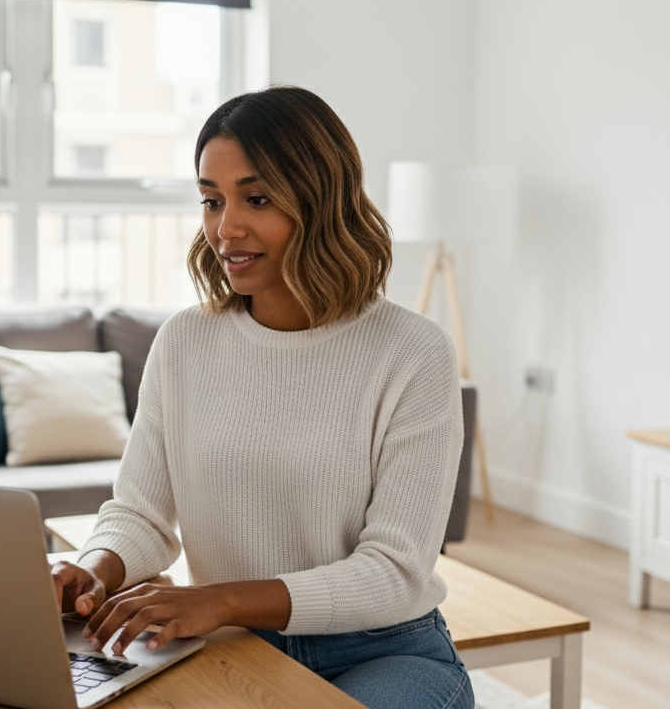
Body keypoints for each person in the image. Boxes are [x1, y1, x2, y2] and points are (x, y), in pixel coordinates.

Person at [50, 85, 472, 709]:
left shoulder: (413, 353)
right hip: (228, 644)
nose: (226, 228)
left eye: (258, 198)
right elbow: (141, 512)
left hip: (384, 651)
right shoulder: (185, 342)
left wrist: (217, 598)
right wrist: (95, 568)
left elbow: (395, 572)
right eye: (210, 200)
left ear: (323, 201)